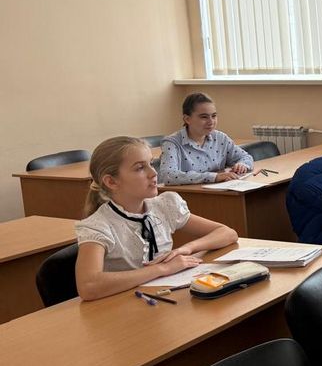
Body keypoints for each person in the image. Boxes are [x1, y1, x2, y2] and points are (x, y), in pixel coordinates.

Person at [75, 136, 239, 300]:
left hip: (162, 297)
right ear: (111, 182)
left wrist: (187, 248)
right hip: (122, 306)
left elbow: (228, 233)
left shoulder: (163, 206)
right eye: (140, 168)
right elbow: (89, 286)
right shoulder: (98, 225)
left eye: (151, 164)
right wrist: (162, 269)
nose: (153, 173)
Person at [158, 93, 253, 185]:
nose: (211, 122)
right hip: (189, 194)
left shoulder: (221, 138)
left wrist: (242, 165)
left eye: (214, 116)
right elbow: (168, 176)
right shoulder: (172, 143)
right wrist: (214, 177)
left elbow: (246, 157)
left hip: (222, 191)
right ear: (187, 119)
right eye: (204, 117)